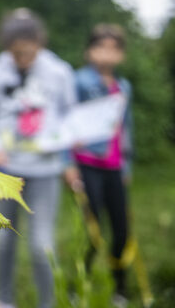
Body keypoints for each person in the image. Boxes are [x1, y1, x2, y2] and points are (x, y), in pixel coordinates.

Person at [0, 8, 76, 308]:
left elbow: (71, 117)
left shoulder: (59, 71)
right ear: (6, 47)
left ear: (40, 43)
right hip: (5, 171)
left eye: (29, 52)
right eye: (16, 54)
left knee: (42, 245)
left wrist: (61, 145)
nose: (23, 58)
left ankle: (49, 302)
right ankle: (4, 300)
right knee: (3, 240)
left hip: (45, 171)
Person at [65, 23, 133, 303]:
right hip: (87, 164)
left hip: (115, 167)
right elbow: (66, 122)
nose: (107, 54)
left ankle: (120, 288)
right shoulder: (78, 81)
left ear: (122, 54)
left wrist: (127, 165)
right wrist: (68, 164)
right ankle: (78, 284)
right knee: (92, 229)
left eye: (113, 48)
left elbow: (126, 128)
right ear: (89, 51)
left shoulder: (124, 86)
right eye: (101, 47)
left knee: (122, 228)